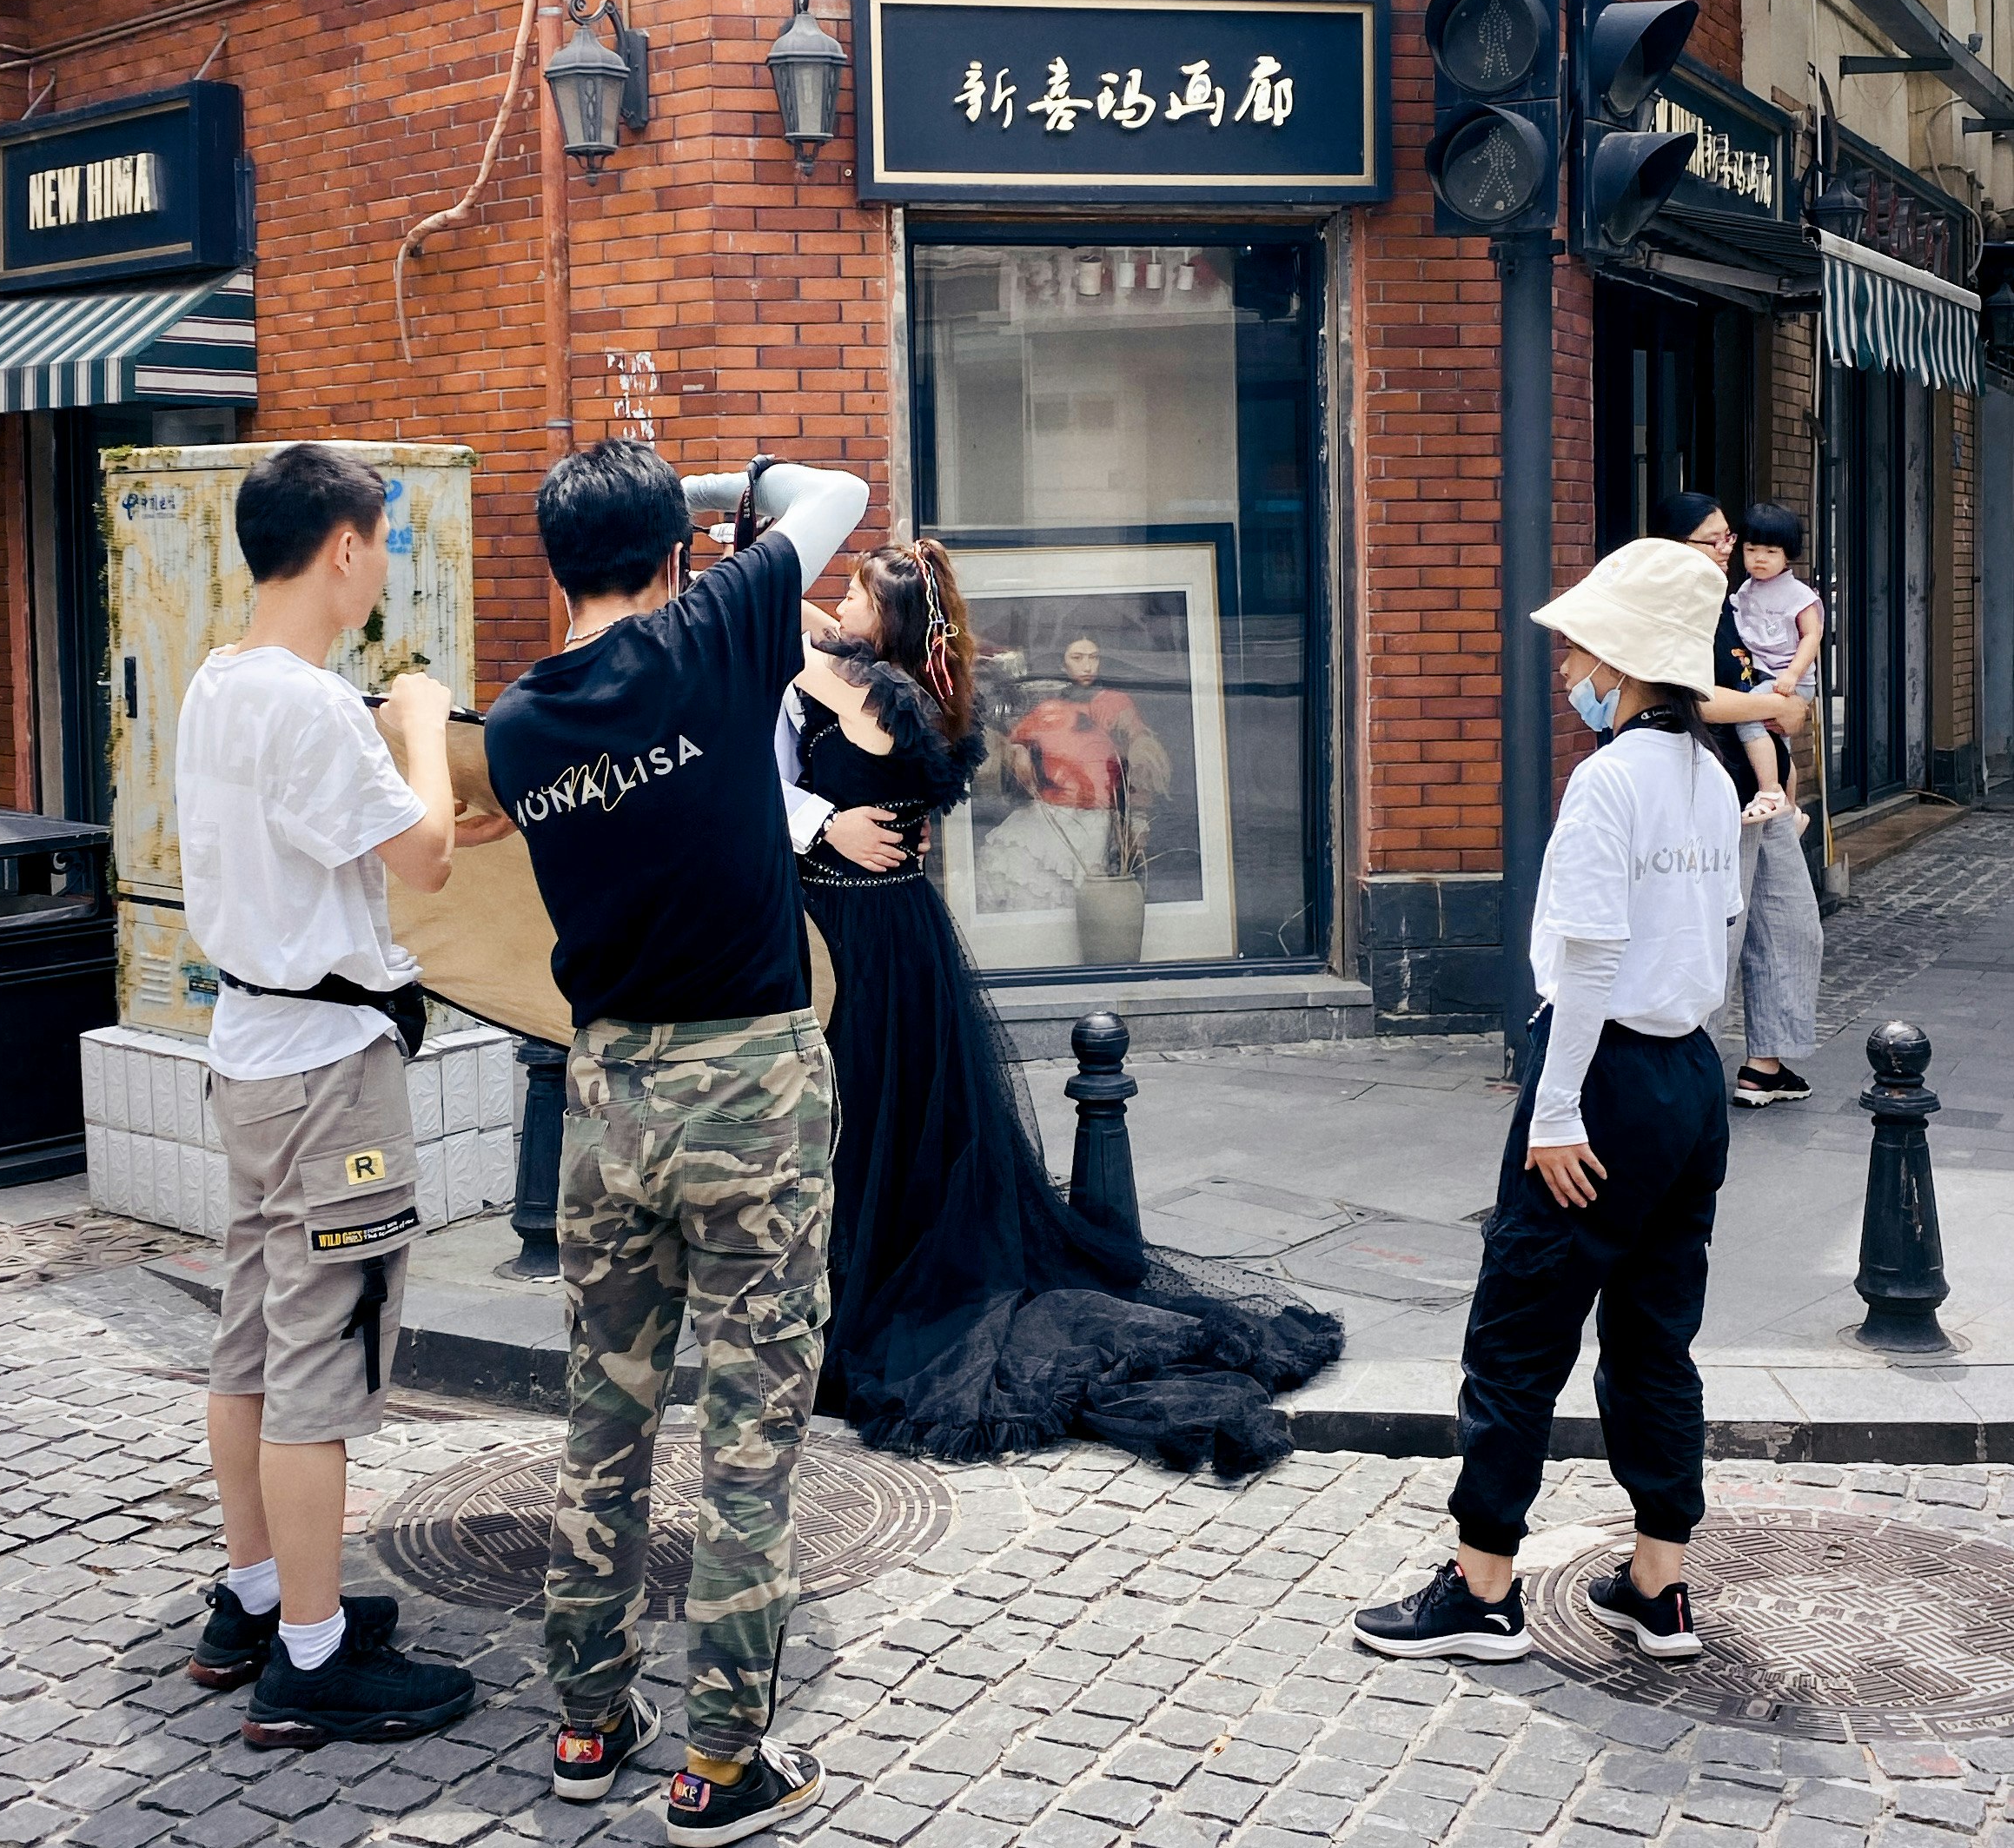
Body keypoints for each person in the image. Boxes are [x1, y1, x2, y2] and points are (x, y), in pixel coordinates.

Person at [484, 439, 866, 1848]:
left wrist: (669, 531)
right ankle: (721, 1762)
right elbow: (839, 499)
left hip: (607, 1091)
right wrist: (728, 494)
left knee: (604, 1413)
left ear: (548, 568)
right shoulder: (713, 635)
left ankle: (588, 1717)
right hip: (751, 1082)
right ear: (676, 554)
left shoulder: (523, 723)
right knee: (751, 1434)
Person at [780, 535, 1344, 1474]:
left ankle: (847, 1296)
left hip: (850, 935)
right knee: (906, 1126)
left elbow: (781, 620)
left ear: (886, 622)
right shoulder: (930, 700)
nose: (836, 601)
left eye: (855, 594)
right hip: (908, 933)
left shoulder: (841, 683)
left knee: (861, 1122)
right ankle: (856, 1280)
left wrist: (775, 577)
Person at [1354, 538, 1741, 1667]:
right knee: (1657, 1333)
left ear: (1624, 661)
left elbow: (1588, 957)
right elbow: (1709, 932)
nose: (1569, 658)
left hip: (1604, 1072)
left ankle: (1481, 1590)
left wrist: (1557, 1107)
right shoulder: (1712, 780)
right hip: (1689, 1078)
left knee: (1519, 1329)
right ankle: (1659, 1587)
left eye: (1582, 643)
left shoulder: (1607, 781)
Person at [178, 442, 480, 1748]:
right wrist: (419, 721)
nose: (386, 565)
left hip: (250, 1051)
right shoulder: (313, 705)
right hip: (325, 1075)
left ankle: (255, 1596)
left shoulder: (217, 685)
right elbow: (420, 858)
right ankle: (310, 1656)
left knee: (250, 1333)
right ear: (345, 548)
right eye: (383, 543)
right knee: (322, 1353)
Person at [1655, 493, 1824, 1109]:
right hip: (1713, 790)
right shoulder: (1673, 608)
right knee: (1721, 934)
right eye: (1717, 539)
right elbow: (1691, 699)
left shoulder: (1730, 602)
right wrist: (1778, 706)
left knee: (1789, 926)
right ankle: (1690, 1069)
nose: (1733, 549)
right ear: (1678, 544)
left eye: (1732, 538)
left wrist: (1788, 709)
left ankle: (1765, 1065)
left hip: (1764, 792)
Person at [972, 632, 1174, 915]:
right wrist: (1015, 757)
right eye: (1077, 658)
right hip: (1050, 815)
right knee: (1025, 875)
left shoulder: (1115, 704)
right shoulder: (1050, 710)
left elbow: (1140, 759)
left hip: (1097, 819)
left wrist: (1137, 818)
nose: (1087, 666)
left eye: (1093, 658)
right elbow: (1016, 748)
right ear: (1064, 664)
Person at [1731, 501, 1825, 816]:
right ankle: (1790, 810)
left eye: (1770, 552)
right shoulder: (1745, 591)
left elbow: (1812, 636)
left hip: (1789, 681)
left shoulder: (1800, 595)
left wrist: (1792, 676)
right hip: (1763, 678)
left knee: (1745, 716)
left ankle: (1770, 791)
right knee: (1780, 749)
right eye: (1751, 549)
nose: (1759, 558)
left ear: (1787, 555)